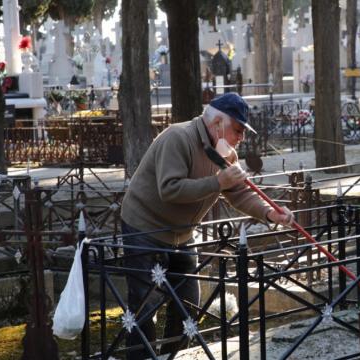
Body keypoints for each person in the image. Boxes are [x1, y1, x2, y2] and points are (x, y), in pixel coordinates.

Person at [120, 92, 293, 359]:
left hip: (181, 233)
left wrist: (269, 213)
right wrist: (218, 182)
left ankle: (172, 355)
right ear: (217, 124)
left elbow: (238, 194)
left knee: (188, 302)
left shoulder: (226, 154)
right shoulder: (178, 137)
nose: (241, 137)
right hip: (145, 227)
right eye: (238, 129)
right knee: (146, 305)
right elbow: (170, 189)